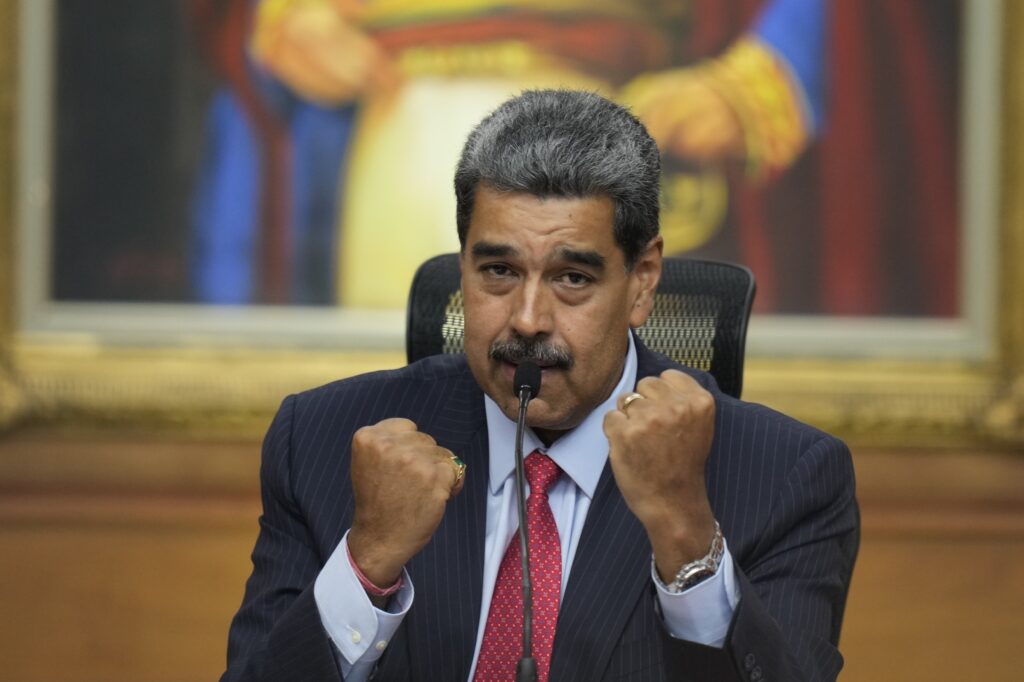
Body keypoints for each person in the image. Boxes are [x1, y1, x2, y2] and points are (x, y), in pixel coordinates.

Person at [221, 89, 858, 681]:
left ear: (642, 281)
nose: (527, 320)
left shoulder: (785, 478)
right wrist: (366, 564)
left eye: (572, 278)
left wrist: (685, 533)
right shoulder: (323, 441)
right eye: (498, 270)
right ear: (463, 263)